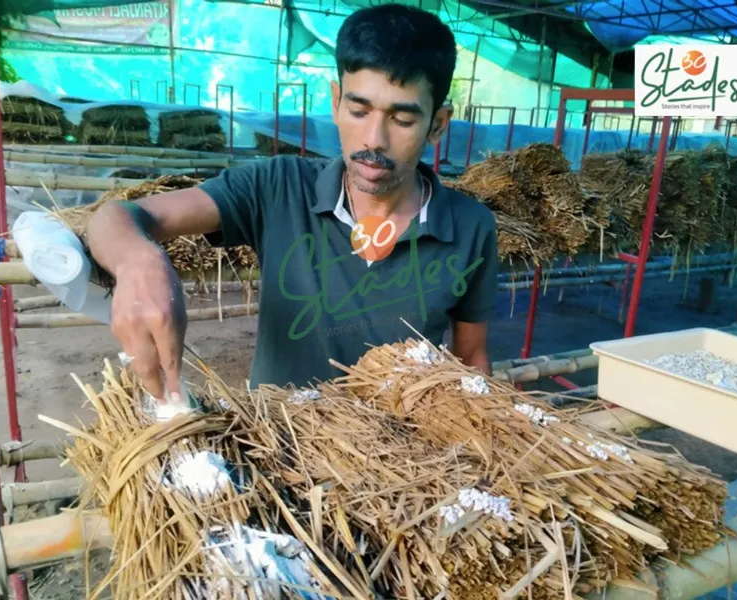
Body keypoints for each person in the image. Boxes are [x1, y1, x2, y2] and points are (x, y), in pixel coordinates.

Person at [85, 3, 498, 402]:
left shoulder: (470, 227)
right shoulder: (277, 187)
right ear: (336, 101)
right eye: (358, 110)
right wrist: (139, 263)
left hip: (399, 461)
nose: (375, 138)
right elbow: (118, 216)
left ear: (438, 124)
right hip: (280, 454)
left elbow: (471, 356)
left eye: (403, 120)